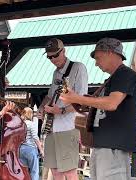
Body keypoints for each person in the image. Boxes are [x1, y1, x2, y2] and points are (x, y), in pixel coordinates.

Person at [59, 37, 136, 180]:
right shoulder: (112, 79)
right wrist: (76, 100)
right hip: (104, 145)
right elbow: (101, 105)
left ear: (110, 52)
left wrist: (76, 98)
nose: (96, 63)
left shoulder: (125, 74)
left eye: (98, 58)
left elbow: (111, 103)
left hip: (113, 146)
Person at [38, 38, 88, 180]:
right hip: (51, 127)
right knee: (55, 171)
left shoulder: (78, 68)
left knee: (70, 172)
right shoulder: (56, 73)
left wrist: (61, 111)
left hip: (68, 127)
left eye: (56, 55)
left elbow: (82, 99)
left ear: (64, 50)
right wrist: (42, 108)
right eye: (49, 57)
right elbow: (50, 96)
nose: (53, 59)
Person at [19, 107, 44, 180]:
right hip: (30, 149)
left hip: (21, 149)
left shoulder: (20, 124)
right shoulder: (31, 124)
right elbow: (35, 137)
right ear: (30, 114)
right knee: (34, 171)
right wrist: (41, 150)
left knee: (23, 170)